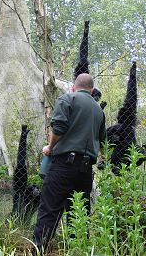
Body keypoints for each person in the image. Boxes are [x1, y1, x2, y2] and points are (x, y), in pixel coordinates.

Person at [33, 73, 106, 252]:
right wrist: (102, 157)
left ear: (74, 87)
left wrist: (50, 147)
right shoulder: (98, 110)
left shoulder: (67, 99)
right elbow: (103, 142)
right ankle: (77, 250)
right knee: (78, 214)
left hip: (64, 165)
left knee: (49, 209)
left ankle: (39, 250)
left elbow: (58, 128)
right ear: (92, 90)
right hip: (86, 169)